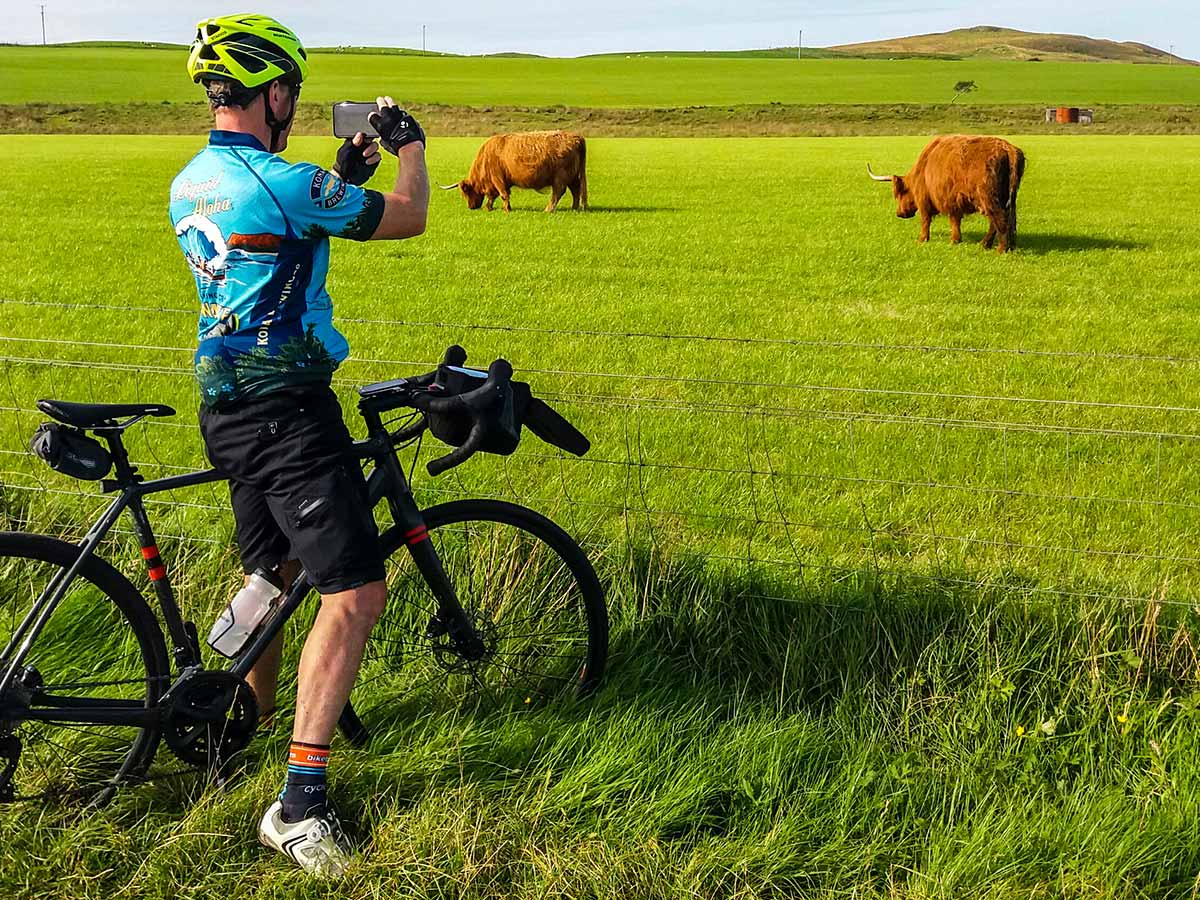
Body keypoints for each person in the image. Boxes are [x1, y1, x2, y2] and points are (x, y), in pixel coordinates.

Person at [169, 14, 429, 876]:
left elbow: (282, 227)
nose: (297, 104)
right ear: (273, 91)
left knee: (272, 575)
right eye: (293, 90)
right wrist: (409, 151)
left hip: (225, 400)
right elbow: (407, 219)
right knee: (354, 592)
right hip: (287, 408)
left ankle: (233, 740)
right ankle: (299, 805)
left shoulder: (194, 178)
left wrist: (339, 172)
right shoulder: (276, 178)